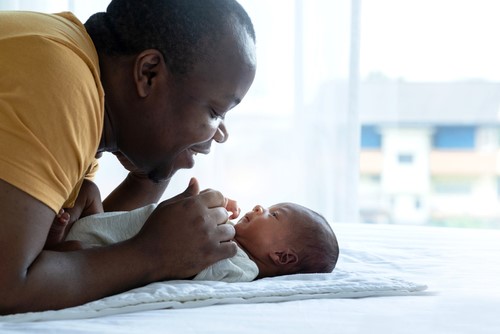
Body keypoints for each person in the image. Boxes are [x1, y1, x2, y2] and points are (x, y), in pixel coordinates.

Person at [0, 0, 256, 314]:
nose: (220, 133)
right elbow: (8, 285)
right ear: (148, 73)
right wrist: (154, 254)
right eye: (216, 112)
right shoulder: (59, 81)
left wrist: (154, 173)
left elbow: (93, 243)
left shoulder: (77, 74)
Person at [64, 179, 340, 282]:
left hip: (100, 249)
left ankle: (56, 243)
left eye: (274, 214)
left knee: (75, 253)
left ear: (283, 256)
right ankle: (63, 232)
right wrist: (212, 206)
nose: (259, 207)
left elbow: (194, 262)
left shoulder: (241, 267)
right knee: (89, 189)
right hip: (102, 224)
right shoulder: (229, 235)